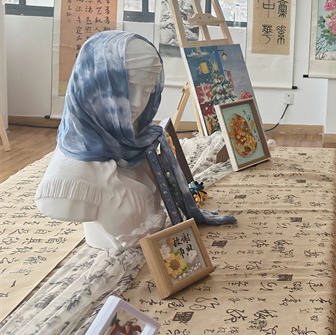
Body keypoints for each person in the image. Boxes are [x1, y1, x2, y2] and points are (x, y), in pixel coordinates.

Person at [36, 31, 235, 249]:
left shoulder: (142, 142)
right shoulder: (70, 178)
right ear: (94, 87)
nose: (138, 102)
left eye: (148, 90)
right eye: (126, 89)